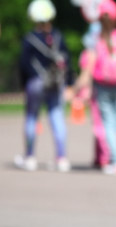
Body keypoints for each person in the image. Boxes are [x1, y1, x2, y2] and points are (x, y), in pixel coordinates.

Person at [73, 0, 116, 176]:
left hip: (102, 86)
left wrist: (78, 85)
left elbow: (89, 66)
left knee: (108, 125)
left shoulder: (95, 40)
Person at [16, 0, 73, 172]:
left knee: (32, 118)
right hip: (55, 82)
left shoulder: (30, 38)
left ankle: (30, 156)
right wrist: (69, 82)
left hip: (35, 82)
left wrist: (23, 84)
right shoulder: (57, 36)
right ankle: (61, 158)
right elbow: (67, 61)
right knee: (57, 117)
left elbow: (23, 64)